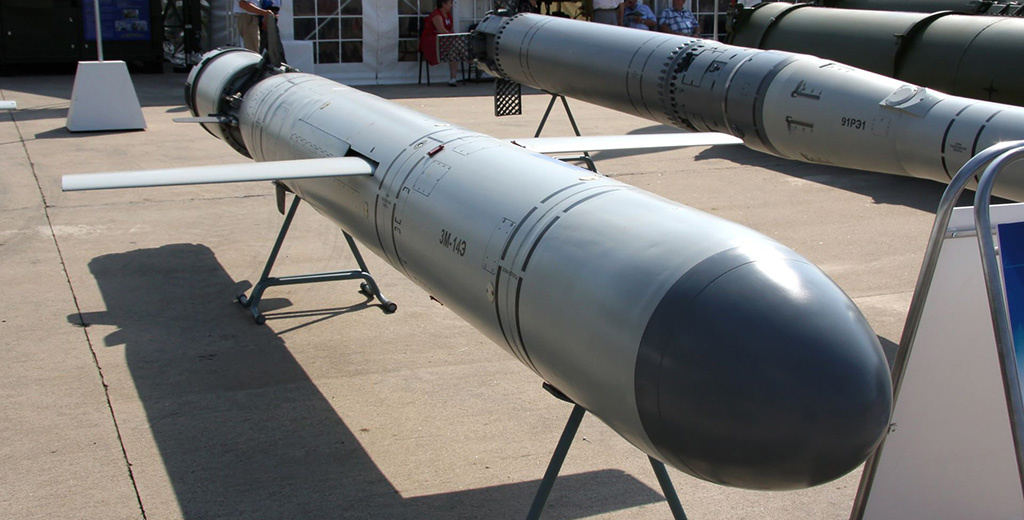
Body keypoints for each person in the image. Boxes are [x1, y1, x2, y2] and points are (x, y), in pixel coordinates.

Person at [419, 0, 460, 86]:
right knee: (456, 45)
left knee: (455, 48)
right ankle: (471, 60)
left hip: (444, 39)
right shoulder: (436, 15)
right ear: (443, 4)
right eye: (450, 3)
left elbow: (449, 29)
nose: (452, 5)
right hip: (432, 40)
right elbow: (442, 30)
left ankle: (453, 78)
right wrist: (453, 36)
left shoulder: (448, 15)